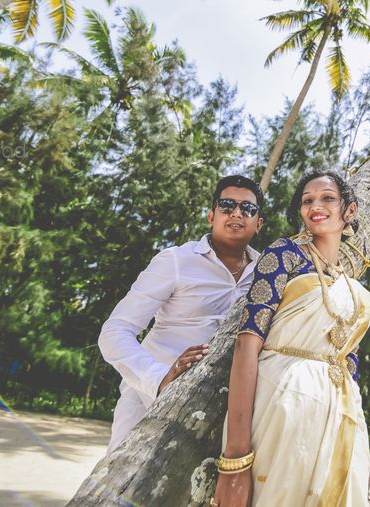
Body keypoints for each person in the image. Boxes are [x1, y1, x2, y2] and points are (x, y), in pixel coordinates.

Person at [211, 171, 370, 507]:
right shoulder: (284, 254)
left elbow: (349, 360)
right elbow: (247, 343)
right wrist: (235, 460)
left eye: (327, 198)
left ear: (351, 210)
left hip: (342, 414)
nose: (316, 205)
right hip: (281, 405)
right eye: (307, 200)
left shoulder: (350, 284)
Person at [98, 175, 264, 455]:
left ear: (258, 224)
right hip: (149, 400)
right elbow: (114, 332)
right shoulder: (175, 261)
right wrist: (160, 378)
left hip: (224, 414)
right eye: (227, 205)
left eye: (247, 209)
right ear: (211, 216)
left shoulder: (266, 274)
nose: (237, 213)